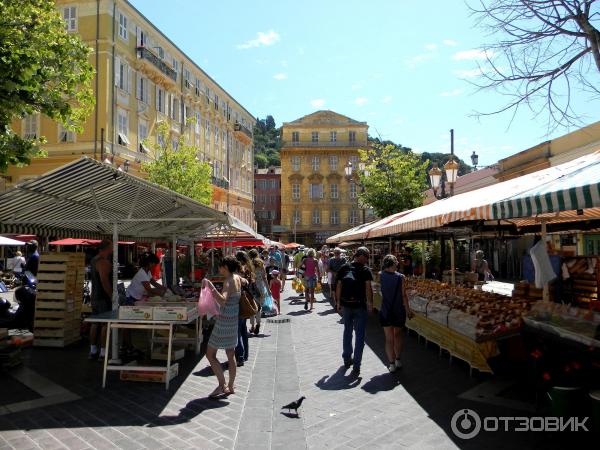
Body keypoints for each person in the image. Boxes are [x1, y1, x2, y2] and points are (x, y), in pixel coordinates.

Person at [203, 257, 244, 397]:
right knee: (230, 354)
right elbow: (245, 281)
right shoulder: (237, 278)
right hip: (233, 320)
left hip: (224, 322)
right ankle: (231, 386)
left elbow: (222, 301)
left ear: (225, 267)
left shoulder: (228, 281)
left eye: (220, 267)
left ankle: (221, 385)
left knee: (210, 354)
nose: (219, 269)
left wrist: (210, 286)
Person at [336, 247, 373, 376]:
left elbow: (339, 286)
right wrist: (370, 304)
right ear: (360, 256)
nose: (367, 260)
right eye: (367, 257)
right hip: (359, 306)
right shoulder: (365, 270)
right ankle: (356, 365)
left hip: (346, 305)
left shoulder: (344, 268)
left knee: (347, 331)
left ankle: (347, 358)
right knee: (360, 336)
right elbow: (368, 289)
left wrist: (338, 302)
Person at [379, 255, 414, 372]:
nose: (398, 264)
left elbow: (380, 291)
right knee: (397, 335)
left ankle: (391, 364)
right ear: (392, 263)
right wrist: (408, 311)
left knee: (389, 338)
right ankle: (398, 359)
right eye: (396, 262)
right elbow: (404, 296)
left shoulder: (380, 275)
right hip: (398, 310)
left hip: (385, 310)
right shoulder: (401, 277)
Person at [88, 240, 113, 359]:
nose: (113, 249)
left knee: (95, 323)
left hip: (95, 296)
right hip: (103, 297)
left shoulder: (94, 260)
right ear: (107, 248)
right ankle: (103, 352)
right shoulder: (103, 262)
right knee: (105, 324)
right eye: (112, 247)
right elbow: (104, 281)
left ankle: (93, 350)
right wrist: (111, 295)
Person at [234, 251, 254, 366]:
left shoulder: (240, 271)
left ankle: (240, 356)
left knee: (238, 332)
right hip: (245, 303)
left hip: (240, 302)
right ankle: (245, 354)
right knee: (243, 330)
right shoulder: (248, 269)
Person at [248, 249, 267, 335]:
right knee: (258, 307)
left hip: (251, 288)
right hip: (260, 287)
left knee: (252, 307)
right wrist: (268, 289)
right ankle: (258, 324)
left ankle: (252, 326)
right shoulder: (261, 264)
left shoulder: (249, 265)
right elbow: (264, 277)